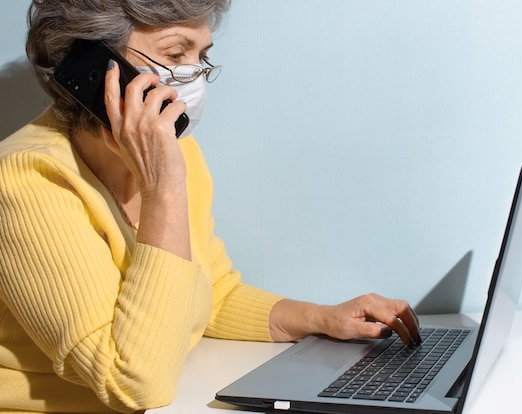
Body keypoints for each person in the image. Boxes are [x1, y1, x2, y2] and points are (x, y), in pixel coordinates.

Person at [0, 1, 420, 413]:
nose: (193, 75)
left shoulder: (179, 154)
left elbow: (213, 294)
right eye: (175, 53)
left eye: (201, 57)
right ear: (91, 62)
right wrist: (162, 189)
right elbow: (131, 383)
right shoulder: (28, 178)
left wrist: (325, 319)